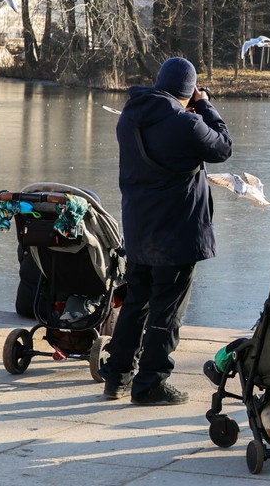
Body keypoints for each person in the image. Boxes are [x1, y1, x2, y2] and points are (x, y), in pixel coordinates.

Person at [101, 57, 232, 405]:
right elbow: (222, 147)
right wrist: (205, 105)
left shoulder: (130, 117)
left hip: (140, 229)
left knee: (135, 303)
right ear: (188, 91)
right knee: (166, 312)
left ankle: (117, 377)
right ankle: (150, 384)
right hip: (176, 233)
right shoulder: (185, 123)